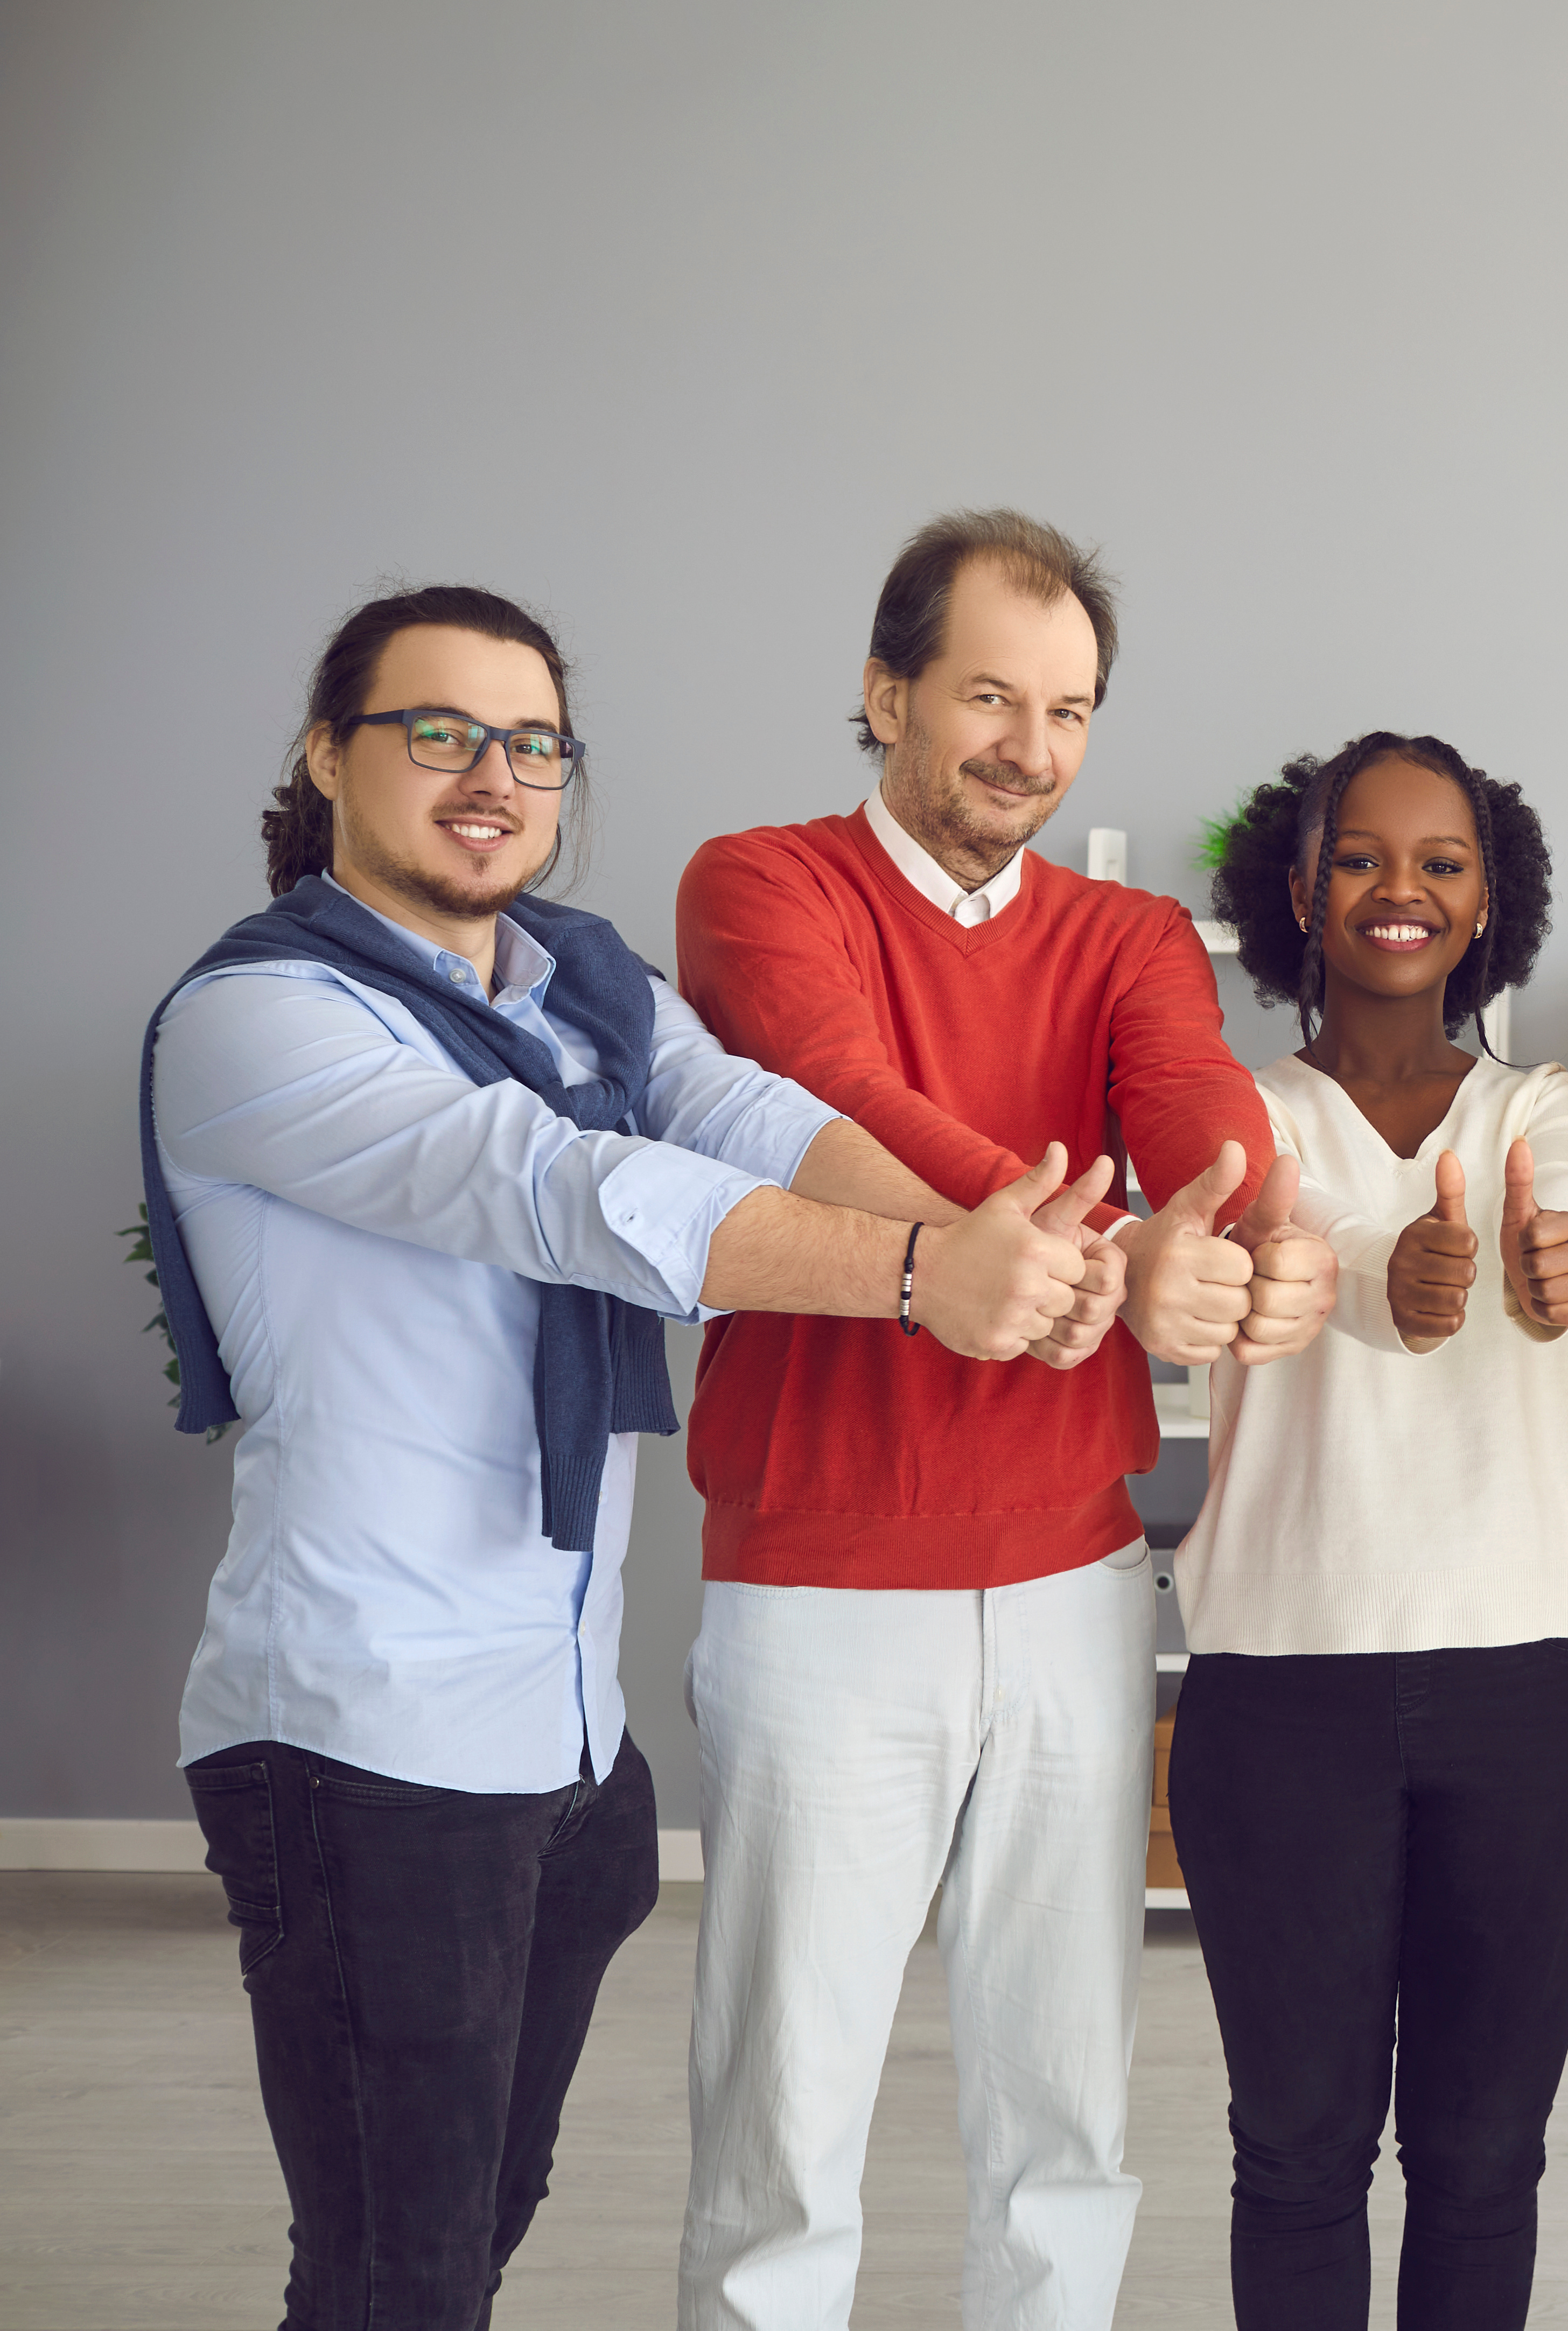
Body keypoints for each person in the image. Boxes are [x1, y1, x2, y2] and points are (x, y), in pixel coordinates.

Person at [144, 585, 1108, 2330]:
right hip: (365, 1742)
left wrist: (1000, 1235)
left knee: (476, 2227)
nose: (490, 776)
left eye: (530, 742)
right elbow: (558, 1188)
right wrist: (923, 1279)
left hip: (565, 1746)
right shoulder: (260, 1016)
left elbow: (742, 1115)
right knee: (394, 2274)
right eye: (435, 732)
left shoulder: (580, 980)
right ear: (326, 754)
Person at [669, 510, 1336, 2329]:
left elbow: (1201, 1103)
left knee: (1066, 2121)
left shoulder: (1125, 931)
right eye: (986, 694)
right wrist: (1122, 1255)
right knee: (783, 2129)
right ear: (885, 694)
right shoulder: (760, 884)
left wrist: (1233, 1223)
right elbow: (832, 1088)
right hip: (820, 1587)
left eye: (1069, 708)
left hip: (1072, 1586)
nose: (1028, 747)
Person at [1172, 733, 1568, 2331]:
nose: (1401, 889)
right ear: (1298, 891)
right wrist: (1394, 1280)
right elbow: (1279, 1233)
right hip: (1282, 1688)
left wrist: (1553, 1257)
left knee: (1481, 2154)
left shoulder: (1544, 1102)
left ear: (1488, 898)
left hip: (1541, 1686)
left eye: (1442, 860)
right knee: (1294, 2153)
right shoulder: (1231, 1110)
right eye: (1362, 855)